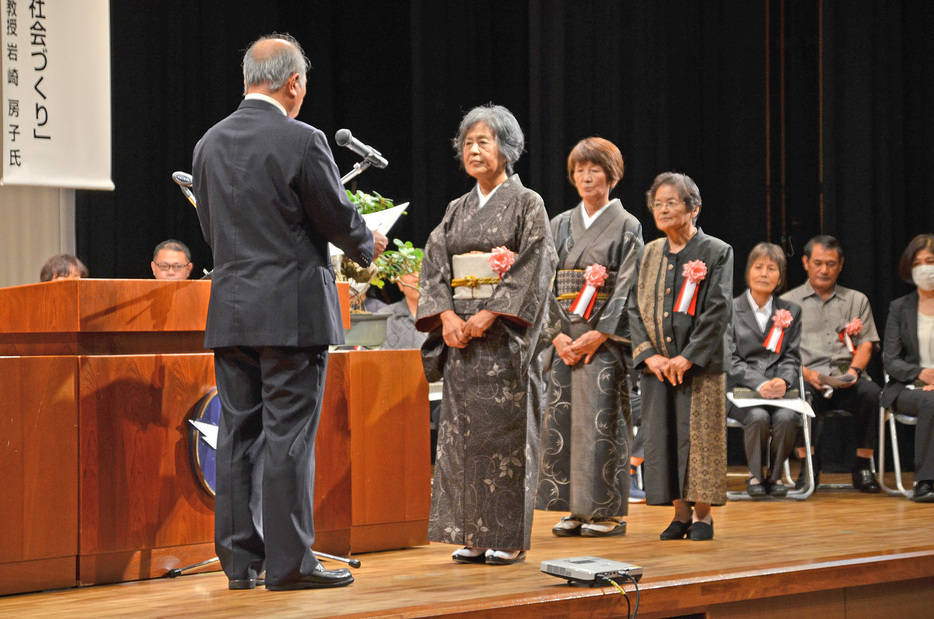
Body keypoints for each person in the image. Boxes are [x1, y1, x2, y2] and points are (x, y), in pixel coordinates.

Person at [192, 33, 387, 591]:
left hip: (231, 311)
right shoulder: (302, 139)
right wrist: (367, 243)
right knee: (288, 438)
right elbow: (336, 217)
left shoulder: (208, 143)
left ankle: (239, 563)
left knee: (237, 435)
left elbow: (211, 233)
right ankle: (290, 565)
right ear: (294, 83)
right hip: (291, 312)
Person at [416, 104, 557, 565]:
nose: (474, 150)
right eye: (468, 143)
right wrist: (447, 318)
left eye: (485, 141)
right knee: (461, 439)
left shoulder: (527, 202)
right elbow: (435, 265)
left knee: (505, 439)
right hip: (462, 342)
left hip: (504, 343)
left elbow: (537, 264)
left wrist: (492, 312)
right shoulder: (456, 209)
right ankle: (471, 533)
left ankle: (508, 536)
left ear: (507, 149)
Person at [537, 137, 643, 537]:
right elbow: (544, 282)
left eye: (594, 169)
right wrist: (557, 337)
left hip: (602, 341)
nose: (586, 177)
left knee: (602, 422)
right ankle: (573, 509)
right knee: (563, 422)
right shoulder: (559, 223)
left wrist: (600, 334)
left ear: (611, 175)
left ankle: (606, 512)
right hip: (565, 340)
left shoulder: (628, 225)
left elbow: (627, 287)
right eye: (579, 170)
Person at [628, 172, 733, 541]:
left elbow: (718, 310)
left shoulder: (717, 251)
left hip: (700, 367)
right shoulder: (650, 252)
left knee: (699, 439)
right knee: (663, 437)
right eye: (657, 203)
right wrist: (650, 357)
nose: (663, 209)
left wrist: (688, 357)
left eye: (672, 202)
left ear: (694, 208)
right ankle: (679, 513)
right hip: (657, 367)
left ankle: (703, 516)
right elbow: (633, 308)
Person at [781, 235, 881, 493]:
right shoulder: (787, 304)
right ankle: (809, 465)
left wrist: (854, 372)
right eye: (818, 263)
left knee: (872, 394)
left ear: (841, 265)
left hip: (847, 378)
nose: (824, 270)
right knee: (799, 396)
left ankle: (863, 465)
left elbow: (867, 343)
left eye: (831, 263)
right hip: (810, 379)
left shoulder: (857, 300)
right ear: (805, 263)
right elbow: (781, 353)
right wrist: (806, 373)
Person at [727, 243, 802, 498]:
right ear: (748, 272)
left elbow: (791, 355)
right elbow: (730, 358)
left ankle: (776, 475)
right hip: (741, 390)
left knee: (787, 418)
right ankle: (756, 475)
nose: (764, 274)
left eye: (772, 269)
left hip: (779, 390)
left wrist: (783, 379)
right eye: (758, 267)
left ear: (780, 277)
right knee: (758, 417)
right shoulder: (730, 309)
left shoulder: (791, 310)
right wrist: (760, 384)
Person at [881, 234, 934, 502]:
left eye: (931, 261)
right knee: (931, 399)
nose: (925, 268)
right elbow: (890, 360)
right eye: (918, 263)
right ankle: (925, 481)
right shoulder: (899, 308)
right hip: (908, 388)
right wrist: (920, 374)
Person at [378, 270, 427, 350]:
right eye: (409, 273)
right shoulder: (383, 318)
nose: (417, 278)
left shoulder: (447, 316)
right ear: (400, 283)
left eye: (421, 270)